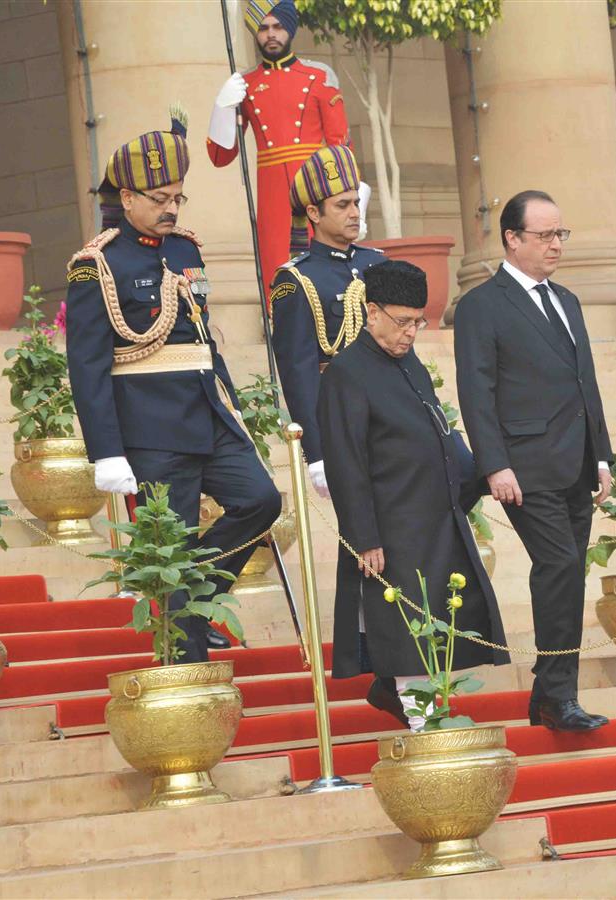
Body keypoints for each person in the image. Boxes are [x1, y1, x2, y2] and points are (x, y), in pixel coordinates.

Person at [66, 111, 281, 662]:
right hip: (152, 429)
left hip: (208, 412)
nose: (169, 208)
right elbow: (87, 365)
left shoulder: (186, 251)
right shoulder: (98, 264)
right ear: (128, 197)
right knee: (174, 548)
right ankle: (189, 676)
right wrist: (106, 451)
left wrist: (232, 406)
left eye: (176, 198)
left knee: (260, 500)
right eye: (158, 197)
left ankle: (197, 599)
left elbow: (204, 336)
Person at [318, 260, 509, 725]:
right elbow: (346, 462)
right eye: (402, 321)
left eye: (418, 322)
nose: (410, 332)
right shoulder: (347, 371)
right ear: (372, 312)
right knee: (405, 629)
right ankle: (426, 721)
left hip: (435, 516)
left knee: (436, 620)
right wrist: (364, 537)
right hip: (390, 524)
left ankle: (397, 696)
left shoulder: (409, 363)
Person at [454, 190, 613, 733]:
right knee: (558, 568)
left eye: (560, 234)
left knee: (567, 574)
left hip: (575, 462)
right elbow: (476, 391)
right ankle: (558, 697)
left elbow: (583, 381)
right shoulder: (482, 304)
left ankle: (551, 697)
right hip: (523, 467)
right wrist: (494, 464)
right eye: (544, 235)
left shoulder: (566, 300)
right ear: (512, 239)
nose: (556, 245)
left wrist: (602, 455)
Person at [207, 0, 366, 284]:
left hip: (316, 187)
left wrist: (355, 206)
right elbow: (220, 156)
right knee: (278, 270)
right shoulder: (246, 83)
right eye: (264, 28)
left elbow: (340, 148)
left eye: (278, 27)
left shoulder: (318, 75)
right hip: (271, 196)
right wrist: (222, 106)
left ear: (289, 29)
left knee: (323, 264)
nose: (271, 34)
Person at [268, 144, 384, 498]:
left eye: (355, 203)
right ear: (314, 213)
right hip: (342, 416)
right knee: (363, 534)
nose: (354, 213)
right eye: (342, 205)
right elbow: (298, 373)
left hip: (391, 410)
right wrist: (315, 454)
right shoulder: (295, 280)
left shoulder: (377, 263)